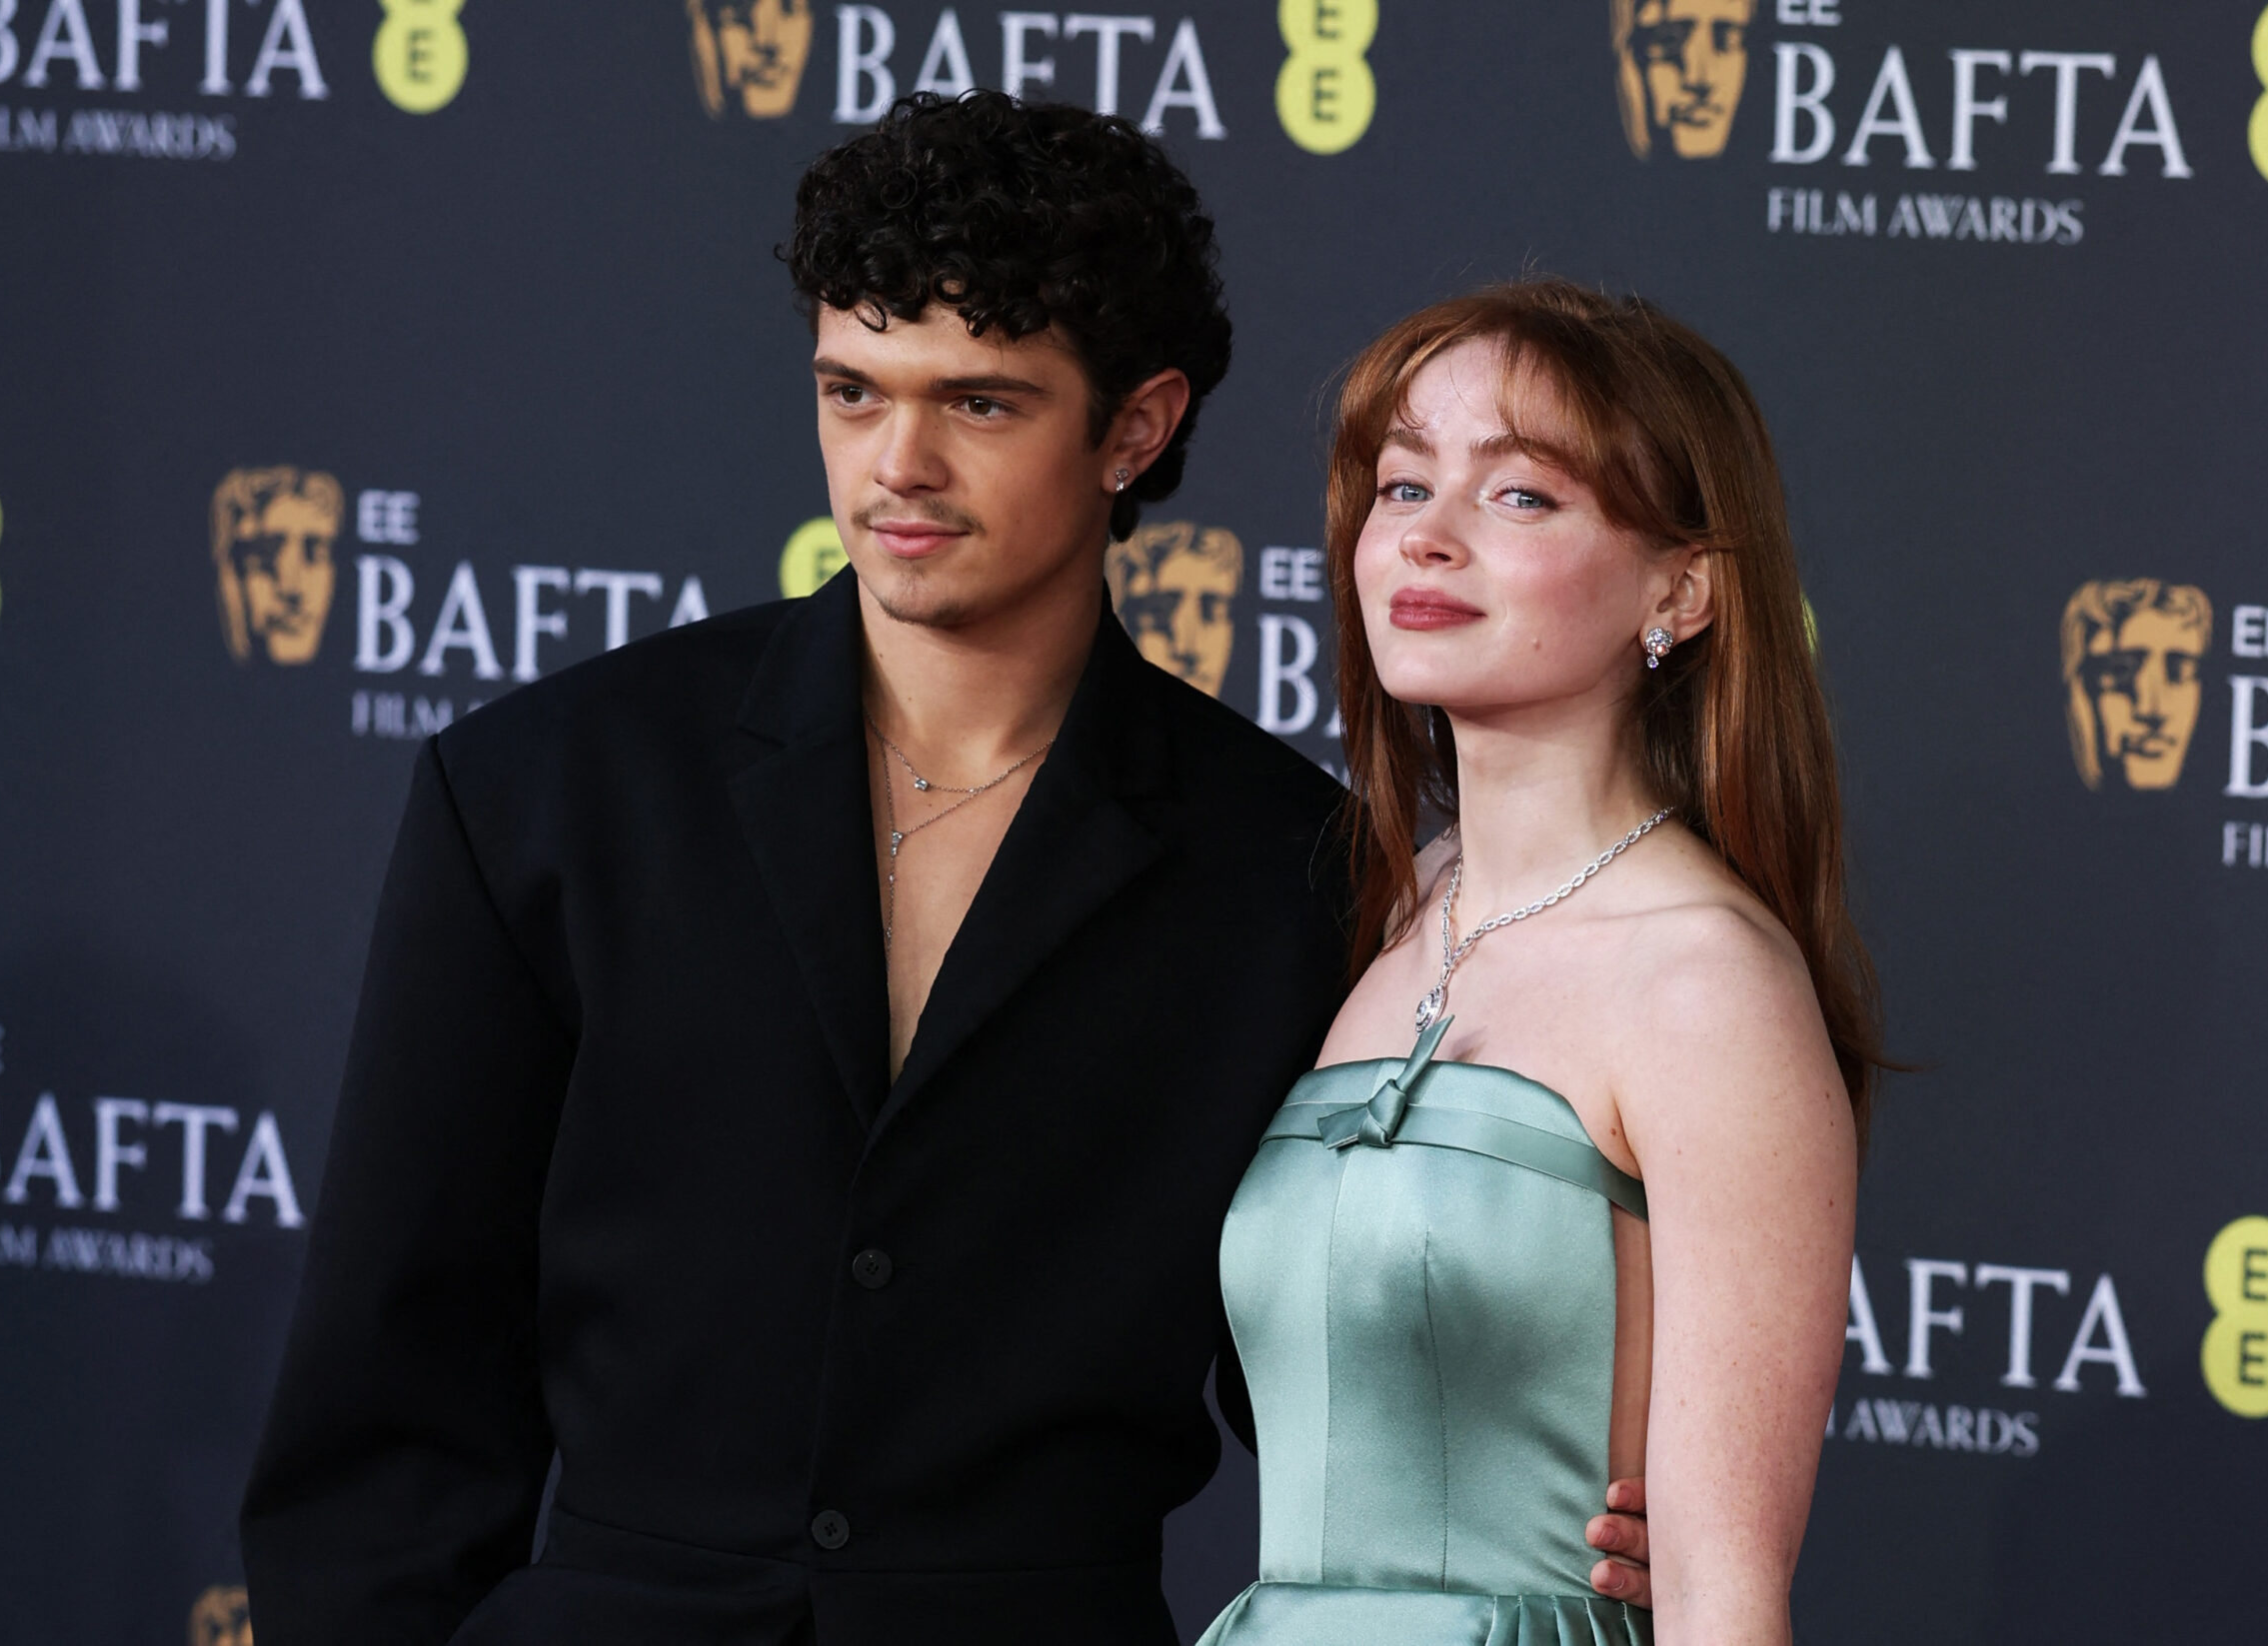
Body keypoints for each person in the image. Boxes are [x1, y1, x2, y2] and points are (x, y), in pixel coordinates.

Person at [238, 98, 1650, 1645]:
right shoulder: (554, 790)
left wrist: (1558, 1519)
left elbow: (1338, 1363)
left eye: (979, 404)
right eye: (853, 391)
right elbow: (391, 1398)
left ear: (1137, 426)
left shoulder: (1289, 870)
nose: (894, 466)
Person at [1199, 280, 1881, 1645]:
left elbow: (1721, 1594)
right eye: (1401, 489)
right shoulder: (1380, 918)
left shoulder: (1704, 981)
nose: (1426, 543)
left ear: (1682, 589)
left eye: (1519, 498)